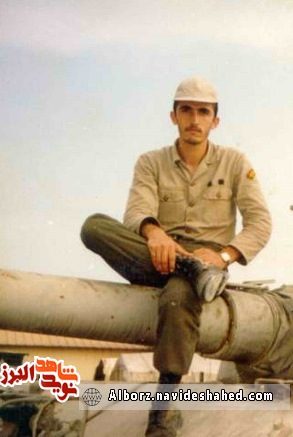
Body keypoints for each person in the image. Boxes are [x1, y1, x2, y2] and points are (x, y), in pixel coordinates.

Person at [80, 76, 271, 436]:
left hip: (208, 262)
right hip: (156, 255)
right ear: (173, 116)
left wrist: (223, 257)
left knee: (178, 298)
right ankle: (189, 268)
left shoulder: (234, 162)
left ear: (215, 121)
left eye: (203, 112)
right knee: (94, 226)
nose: (194, 120)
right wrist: (155, 234)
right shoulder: (151, 162)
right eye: (186, 110)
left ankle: (161, 413)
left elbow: (260, 222)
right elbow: (137, 211)